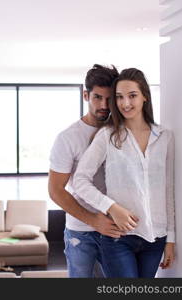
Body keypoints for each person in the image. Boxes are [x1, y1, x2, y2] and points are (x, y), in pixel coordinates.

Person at [73, 68, 176, 278]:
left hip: (155, 238)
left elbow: (168, 188)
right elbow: (80, 180)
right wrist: (112, 207)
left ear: (145, 96)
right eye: (119, 97)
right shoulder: (108, 135)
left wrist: (171, 238)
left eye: (132, 95)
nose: (125, 103)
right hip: (119, 238)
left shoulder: (164, 136)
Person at [48, 64, 122, 278]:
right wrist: (94, 220)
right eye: (98, 97)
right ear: (85, 95)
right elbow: (55, 191)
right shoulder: (68, 138)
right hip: (81, 232)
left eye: (110, 99)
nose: (104, 105)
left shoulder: (123, 132)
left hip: (118, 231)